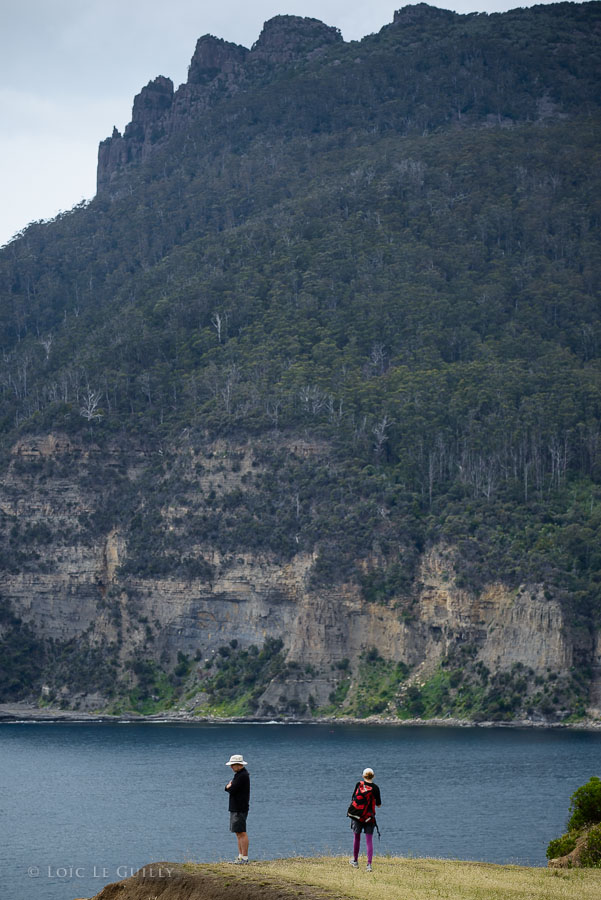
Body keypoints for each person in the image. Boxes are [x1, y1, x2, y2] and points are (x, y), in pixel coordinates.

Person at [348, 767, 381, 872]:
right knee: (369, 841)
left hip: (357, 816)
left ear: (363, 776)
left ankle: (355, 861)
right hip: (369, 818)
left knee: (356, 838)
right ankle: (369, 865)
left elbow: (353, 798)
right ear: (373, 776)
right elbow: (379, 805)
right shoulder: (375, 788)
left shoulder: (359, 784)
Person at [225, 753, 250, 863]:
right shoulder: (239, 775)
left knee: (241, 832)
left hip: (239, 808)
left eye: (233, 765)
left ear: (239, 765)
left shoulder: (242, 776)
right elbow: (230, 788)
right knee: (237, 832)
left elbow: (232, 789)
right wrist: (228, 787)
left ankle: (244, 858)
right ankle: (240, 856)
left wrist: (228, 787)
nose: (231, 767)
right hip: (236, 807)